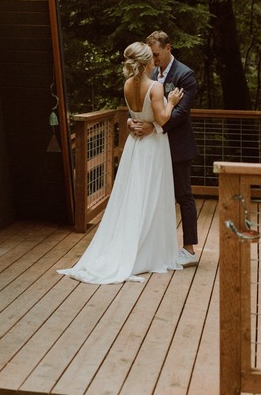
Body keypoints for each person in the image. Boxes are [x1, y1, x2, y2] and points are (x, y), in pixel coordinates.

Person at [58, 42, 184, 285]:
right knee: (151, 196)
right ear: (148, 63)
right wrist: (172, 102)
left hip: (135, 147)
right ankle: (147, 251)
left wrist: (131, 122)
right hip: (153, 149)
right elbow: (162, 119)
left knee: (132, 196)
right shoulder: (156, 87)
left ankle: (133, 244)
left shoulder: (128, 85)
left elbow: (134, 114)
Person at [129, 30, 199, 267]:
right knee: (154, 196)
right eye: (151, 56)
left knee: (183, 195)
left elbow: (180, 113)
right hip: (154, 149)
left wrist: (154, 128)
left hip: (176, 145)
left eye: (157, 54)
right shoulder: (152, 74)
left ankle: (189, 250)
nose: (155, 59)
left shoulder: (185, 75)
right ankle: (155, 247)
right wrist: (134, 121)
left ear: (168, 48)